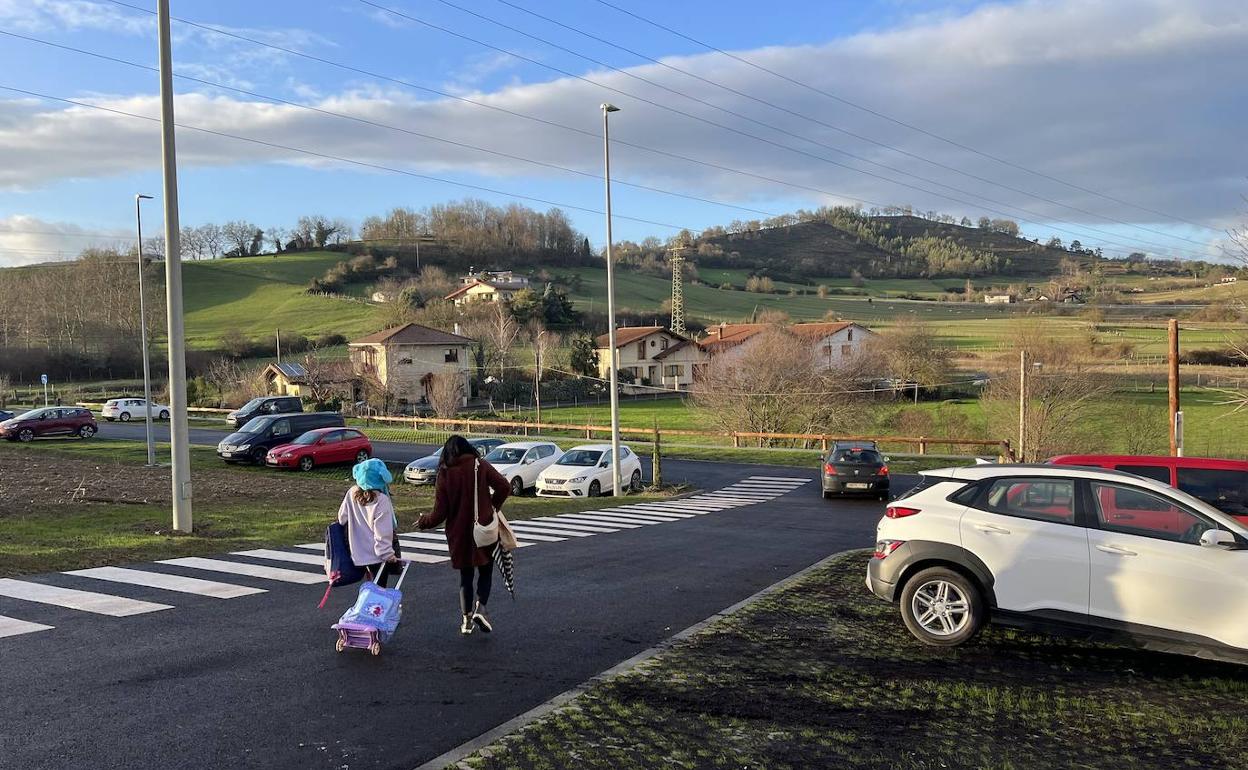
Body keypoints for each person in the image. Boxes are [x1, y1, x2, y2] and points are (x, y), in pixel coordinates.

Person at [418, 435, 510, 635]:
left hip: (459, 533)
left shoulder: (445, 473)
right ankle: (481, 608)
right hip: (483, 529)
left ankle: (466, 620)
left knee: (465, 577)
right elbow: (504, 486)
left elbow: (439, 513)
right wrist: (491, 506)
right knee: (486, 571)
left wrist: (424, 522)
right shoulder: (480, 465)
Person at [337, 458, 401, 588]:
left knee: (368, 590)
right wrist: (388, 554)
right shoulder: (381, 500)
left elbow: (342, 518)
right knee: (379, 591)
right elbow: (382, 532)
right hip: (377, 555)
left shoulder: (352, 493)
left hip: (357, 552)